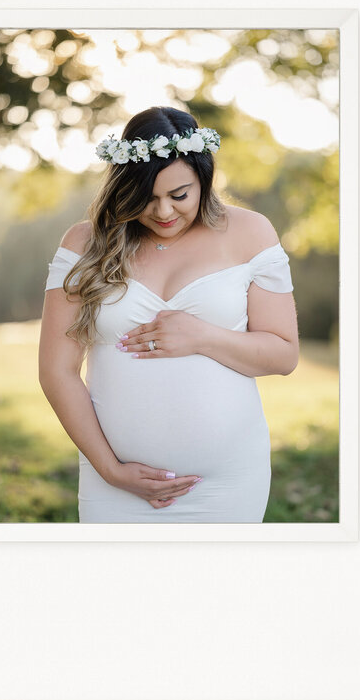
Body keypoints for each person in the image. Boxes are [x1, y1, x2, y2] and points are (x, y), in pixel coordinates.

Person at [38, 107, 299, 522]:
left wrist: (202, 336)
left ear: (204, 178)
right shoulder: (85, 243)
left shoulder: (250, 232)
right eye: (147, 198)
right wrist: (112, 470)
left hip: (226, 484)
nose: (162, 212)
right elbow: (57, 371)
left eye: (179, 195)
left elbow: (284, 355)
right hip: (115, 484)